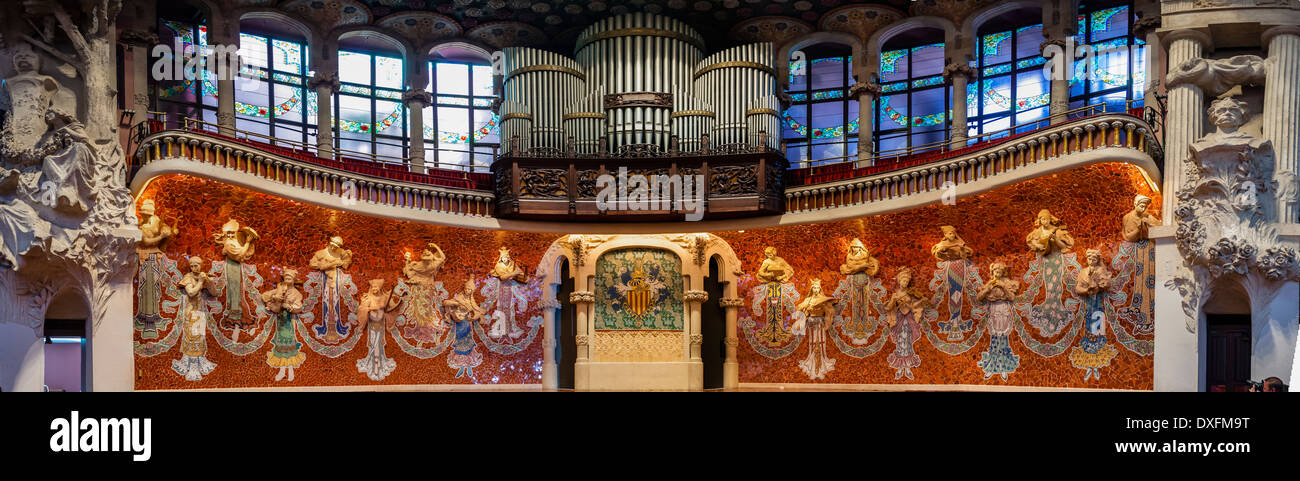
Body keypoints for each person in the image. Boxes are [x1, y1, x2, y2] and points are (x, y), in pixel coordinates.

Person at [262, 269, 305, 381]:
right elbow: (265, 296)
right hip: (280, 322)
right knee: (280, 346)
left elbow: (299, 307)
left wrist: (289, 307)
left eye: (289, 278)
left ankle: (290, 371)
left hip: (289, 323)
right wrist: (274, 298)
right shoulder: (280, 290)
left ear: (294, 280)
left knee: (289, 346)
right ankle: (282, 371)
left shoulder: (296, 293)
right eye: (286, 278)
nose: (287, 279)